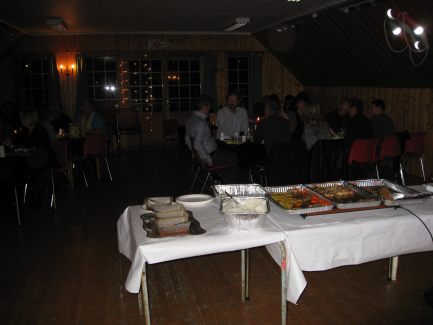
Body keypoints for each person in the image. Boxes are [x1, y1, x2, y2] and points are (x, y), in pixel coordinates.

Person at [185, 95, 238, 183]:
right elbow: (197, 144)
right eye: (209, 106)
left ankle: (218, 178)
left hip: (209, 155)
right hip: (212, 156)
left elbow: (187, 140)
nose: (210, 108)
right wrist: (207, 158)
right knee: (238, 158)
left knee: (230, 155)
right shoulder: (200, 122)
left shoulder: (190, 119)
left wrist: (197, 155)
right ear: (204, 107)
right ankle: (226, 184)